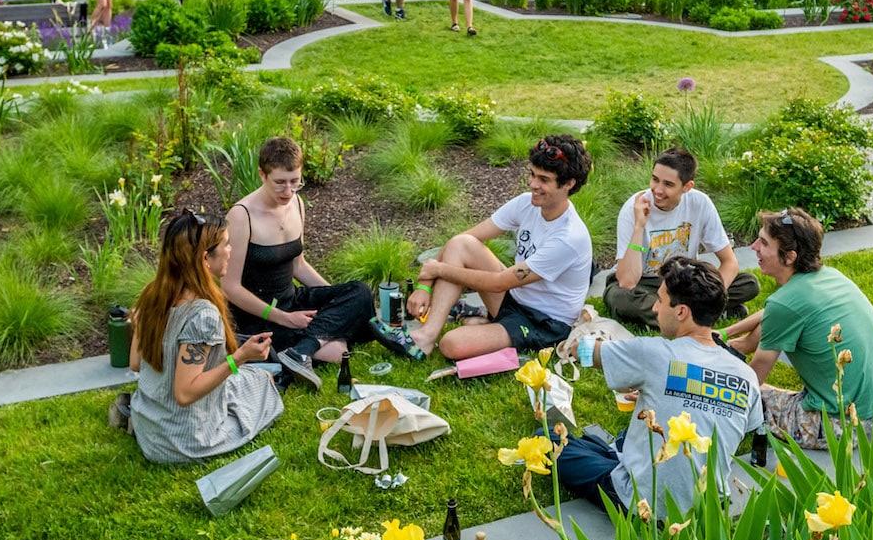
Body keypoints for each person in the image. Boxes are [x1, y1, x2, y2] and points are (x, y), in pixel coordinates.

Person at [553, 257, 764, 519]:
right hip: (708, 507)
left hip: (645, 505)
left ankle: (612, 454)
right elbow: (728, 419)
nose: (654, 308)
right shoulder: (746, 375)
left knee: (551, 439)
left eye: (661, 300)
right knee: (627, 437)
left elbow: (586, 353)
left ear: (681, 311)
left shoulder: (654, 353)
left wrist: (575, 342)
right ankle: (615, 449)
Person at [721, 208, 873, 449]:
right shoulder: (830, 277)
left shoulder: (785, 304)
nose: (754, 246)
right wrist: (727, 334)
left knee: (728, 391)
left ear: (789, 257)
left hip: (838, 427)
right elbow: (774, 314)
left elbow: (749, 385)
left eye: (763, 243)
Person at [400, 134, 594, 361]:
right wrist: (424, 286)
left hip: (544, 322)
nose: (533, 184)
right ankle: (425, 336)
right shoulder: (526, 203)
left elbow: (499, 282)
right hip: (513, 298)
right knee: (462, 244)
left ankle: (490, 328)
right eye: (532, 174)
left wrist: (438, 270)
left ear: (569, 184)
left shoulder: (569, 238)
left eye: (543, 179)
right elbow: (463, 239)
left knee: (452, 344)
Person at [113, 210, 284, 464]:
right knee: (266, 389)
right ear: (205, 258)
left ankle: (132, 417)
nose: (230, 250)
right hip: (184, 442)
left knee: (259, 377)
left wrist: (141, 328)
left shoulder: (153, 293)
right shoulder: (202, 315)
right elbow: (185, 393)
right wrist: (240, 357)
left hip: (150, 426)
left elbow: (136, 364)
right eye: (226, 244)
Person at [221, 136, 377, 389]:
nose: (289, 191)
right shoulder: (242, 215)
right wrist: (283, 318)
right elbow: (229, 287)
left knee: (359, 292)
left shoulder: (297, 203)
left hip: (291, 300)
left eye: (295, 182)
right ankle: (309, 347)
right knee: (336, 351)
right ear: (262, 174)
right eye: (280, 183)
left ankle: (300, 352)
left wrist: (334, 300)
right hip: (258, 315)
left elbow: (298, 265)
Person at [605, 147, 759, 328]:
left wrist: (712, 297)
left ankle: (670, 316)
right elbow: (627, 281)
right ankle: (700, 315)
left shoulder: (700, 203)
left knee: (748, 283)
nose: (658, 190)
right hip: (643, 284)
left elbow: (730, 263)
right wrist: (639, 226)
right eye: (655, 180)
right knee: (619, 298)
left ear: (687, 187)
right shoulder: (633, 208)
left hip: (683, 282)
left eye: (668, 184)